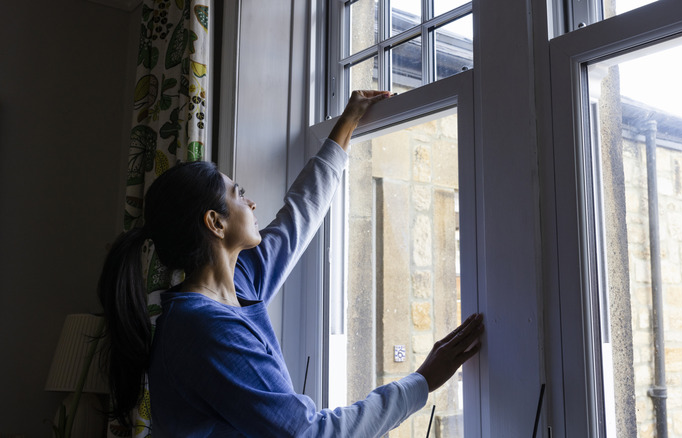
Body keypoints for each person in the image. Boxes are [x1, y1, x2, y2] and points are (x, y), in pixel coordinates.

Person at [98, 90, 484, 437]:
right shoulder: (203, 328)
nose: (251, 203)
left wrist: (347, 124)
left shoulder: (240, 281)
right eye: (239, 194)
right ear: (215, 223)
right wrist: (421, 381)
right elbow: (310, 433)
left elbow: (299, 215)